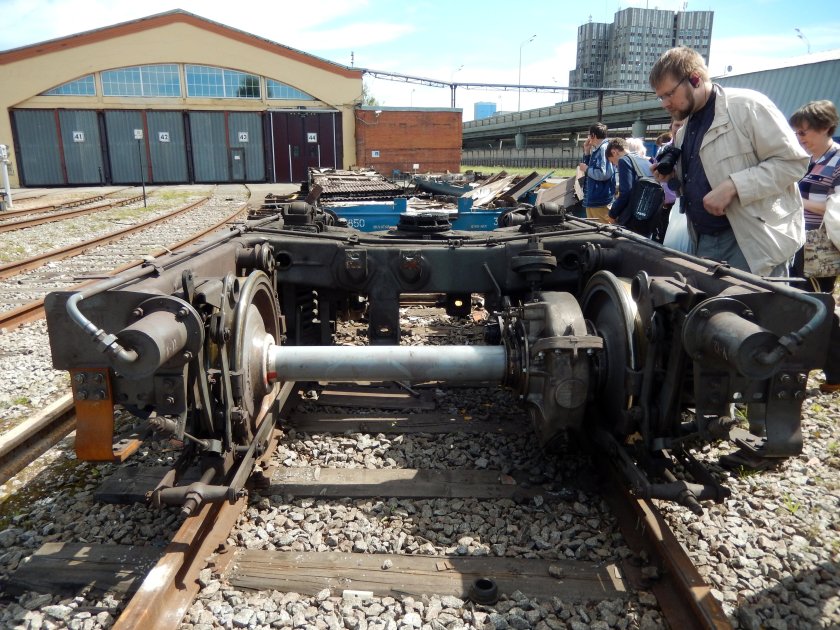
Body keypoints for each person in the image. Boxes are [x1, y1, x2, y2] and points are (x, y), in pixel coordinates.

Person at [649, 46, 810, 277]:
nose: (664, 103)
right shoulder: (686, 129)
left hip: (751, 243)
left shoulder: (747, 107)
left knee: (749, 312)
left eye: (669, 94)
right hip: (703, 242)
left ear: (695, 78)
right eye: (660, 96)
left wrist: (734, 186)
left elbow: (792, 163)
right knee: (712, 312)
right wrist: (673, 176)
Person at [788, 100, 840, 394]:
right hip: (798, 240)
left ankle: (835, 370)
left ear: (825, 128)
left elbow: (835, 210)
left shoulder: (837, 161)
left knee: (819, 307)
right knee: (806, 305)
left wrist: (795, 197)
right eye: (797, 133)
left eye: (805, 132)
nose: (800, 138)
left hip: (820, 247)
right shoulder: (807, 160)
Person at [605, 138, 659, 237]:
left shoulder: (624, 160)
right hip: (647, 218)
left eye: (612, 162)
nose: (614, 165)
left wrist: (612, 214)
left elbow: (626, 192)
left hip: (631, 220)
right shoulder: (645, 161)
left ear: (614, 152)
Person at [579, 122, 616, 223]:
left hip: (599, 201)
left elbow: (604, 174)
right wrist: (587, 152)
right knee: (594, 230)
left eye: (588, 135)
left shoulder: (604, 149)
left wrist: (586, 168)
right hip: (593, 200)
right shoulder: (597, 149)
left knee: (603, 231)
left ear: (593, 135)